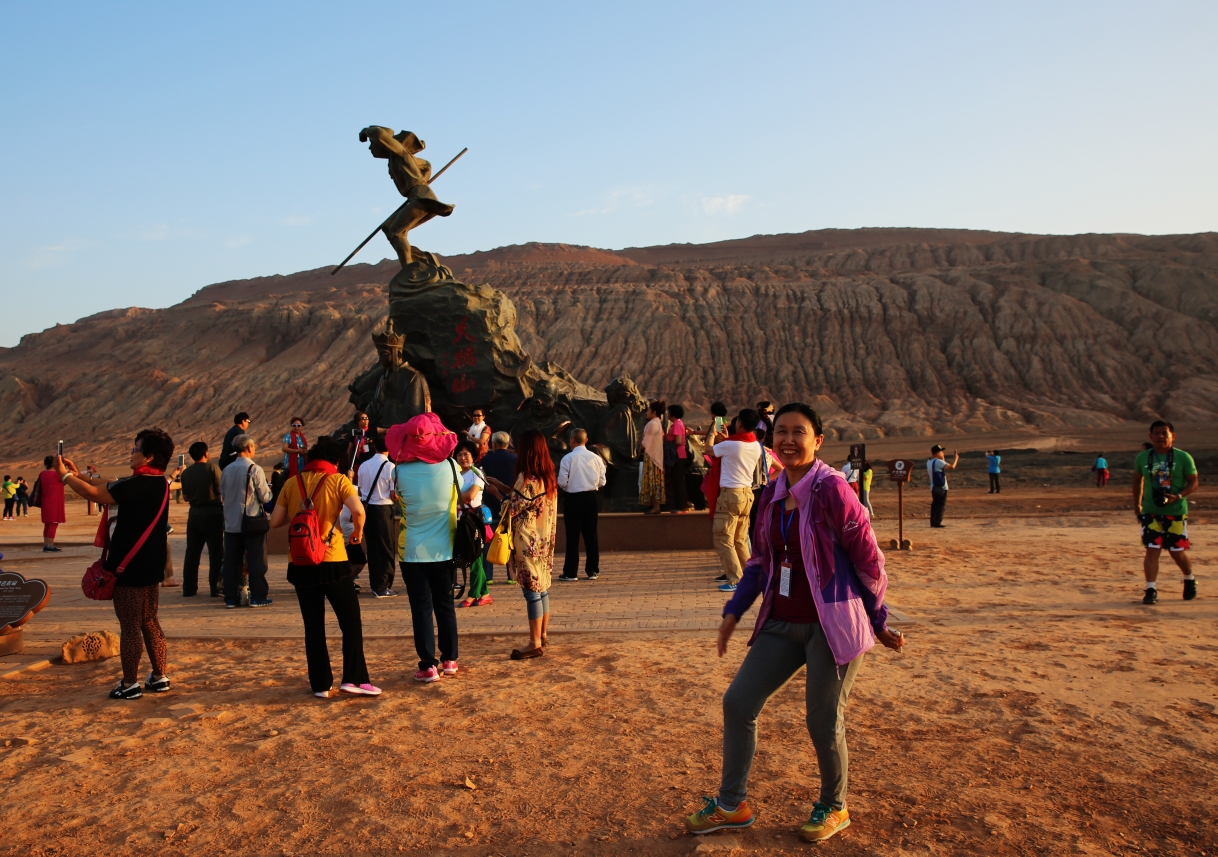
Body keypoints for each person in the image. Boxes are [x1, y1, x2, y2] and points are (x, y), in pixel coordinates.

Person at [685, 403, 905, 843]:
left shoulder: (833, 491)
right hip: (782, 622)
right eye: (780, 432)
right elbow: (762, 561)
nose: (787, 440)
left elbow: (870, 562)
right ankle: (733, 805)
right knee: (738, 703)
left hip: (831, 625)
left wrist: (877, 618)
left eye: (798, 432)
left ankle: (834, 806)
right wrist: (735, 612)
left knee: (823, 720)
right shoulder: (770, 492)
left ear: (818, 440)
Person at [57, 428, 176, 700]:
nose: (131, 453)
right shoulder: (159, 483)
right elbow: (109, 483)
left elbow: (95, 494)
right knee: (150, 620)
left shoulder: (137, 485)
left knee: (130, 625)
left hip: (129, 565)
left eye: (135, 449)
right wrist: (76, 475)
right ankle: (159, 677)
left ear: (148, 457)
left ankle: (130, 684)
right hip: (151, 563)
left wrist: (63, 476)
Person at [270, 436, 379, 697]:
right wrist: (357, 534)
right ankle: (353, 678)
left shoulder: (291, 483)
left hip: (299, 561)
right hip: (331, 558)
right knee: (350, 620)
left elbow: (275, 522)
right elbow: (358, 511)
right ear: (336, 460)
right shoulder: (338, 480)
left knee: (313, 624)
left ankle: (320, 684)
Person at [388, 413, 461, 683]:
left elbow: (397, 497)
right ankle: (450, 660)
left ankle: (428, 666)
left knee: (420, 608)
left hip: (412, 551)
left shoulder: (400, 471)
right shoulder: (452, 467)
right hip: (446, 549)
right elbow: (462, 491)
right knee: (445, 605)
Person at [501, 429, 558, 659]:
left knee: (531, 592)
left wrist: (497, 493)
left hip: (528, 542)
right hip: (544, 541)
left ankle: (534, 642)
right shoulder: (547, 478)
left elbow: (511, 509)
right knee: (542, 589)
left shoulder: (527, 478)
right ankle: (542, 634)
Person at [1133, 420, 1199, 605]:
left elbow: (1193, 482)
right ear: (1150, 436)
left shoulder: (1183, 457)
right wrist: (1136, 505)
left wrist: (1178, 496)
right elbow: (1137, 481)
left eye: (1165, 433)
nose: (1161, 437)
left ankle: (1189, 579)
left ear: (1173, 436)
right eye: (1157, 433)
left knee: (1176, 551)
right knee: (1152, 550)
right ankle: (1151, 589)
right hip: (1150, 511)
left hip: (1175, 511)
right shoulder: (1142, 458)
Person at [705, 409, 763, 593]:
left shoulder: (730, 445)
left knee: (723, 539)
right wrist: (726, 438)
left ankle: (735, 579)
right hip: (746, 495)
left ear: (739, 424)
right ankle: (750, 578)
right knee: (739, 540)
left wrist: (712, 434)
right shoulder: (755, 445)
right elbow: (732, 451)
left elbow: (708, 450)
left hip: (731, 496)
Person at [219, 434, 273, 608]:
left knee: (231, 560)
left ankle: (230, 598)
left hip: (231, 522)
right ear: (249, 448)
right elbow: (264, 497)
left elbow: (224, 494)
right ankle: (258, 596)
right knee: (256, 560)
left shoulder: (227, 469)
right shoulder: (255, 469)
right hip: (251, 521)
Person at [557, 428, 607, 581]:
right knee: (591, 535)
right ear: (586, 440)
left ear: (572, 440)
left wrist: (569, 486)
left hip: (573, 498)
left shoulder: (567, 458)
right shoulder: (596, 458)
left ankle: (571, 572)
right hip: (591, 497)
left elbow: (562, 481)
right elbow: (602, 481)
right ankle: (592, 570)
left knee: (572, 536)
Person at [179, 441, 225, 598]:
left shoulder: (186, 473)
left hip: (194, 514)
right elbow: (220, 489)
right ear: (206, 454)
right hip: (212, 513)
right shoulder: (212, 468)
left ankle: (189, 588)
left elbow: (185, 497)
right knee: (215, 553)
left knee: (192, 553)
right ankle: (215, 587)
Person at [454, 439, 497, 607]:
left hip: (472, 520)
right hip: (458, 519)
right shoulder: (454, 473)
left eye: (466, 454)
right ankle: (485, 594)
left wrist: (449, 499)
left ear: (473, 456)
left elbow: (470, 496)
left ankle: (473, 594)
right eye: (459, 454)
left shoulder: (477, 473)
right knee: (471, 557)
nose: (463, 458)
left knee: (474, 557)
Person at [357, 433, 398, 598]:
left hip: (367, 510)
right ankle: (383, 585)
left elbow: (360, 491)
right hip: (383, 509)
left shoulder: (363, 465)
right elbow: (394, 495)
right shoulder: (390, 467)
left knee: (373, 548)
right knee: (387, 548)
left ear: (374, 446)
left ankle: (376, 584)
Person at [479, 431, 517, 583]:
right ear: (507, 444)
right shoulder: (515, 459)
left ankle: (488, 576)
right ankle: (512, 576)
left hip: (490, 505)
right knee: (509, 540)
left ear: (493, 444)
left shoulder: (486, 460)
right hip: (509, 505)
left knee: (488, 540)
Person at [639, 401, 666, 514]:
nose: (647, 412)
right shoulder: (658, 423)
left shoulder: (652, 424)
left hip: (652, 456)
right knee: (655, 481)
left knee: (652, 481)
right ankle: (655, 506)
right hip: (656, 456)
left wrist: (639, 449)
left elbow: (646, 442)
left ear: (654, 412)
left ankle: (655, 507)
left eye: (649, 410)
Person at [665, 403, 693, 513]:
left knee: (678, 481)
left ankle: (682, 506)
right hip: (678, 455)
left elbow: (678, 441)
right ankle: (680, 505)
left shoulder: (719, 421)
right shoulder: (678, 423)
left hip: (677, 455)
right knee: (677, 481)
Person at [37, 457, 65, 551]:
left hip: (46, 502)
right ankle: (49, 545)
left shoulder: (42, 474)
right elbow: (71, 476)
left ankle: (46, 544)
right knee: (53, 524)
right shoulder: (57, 475)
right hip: (55, 502)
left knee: (47, 525)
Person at [926, 445, 958, 528]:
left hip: (933, 486)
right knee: (941, 504)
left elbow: (942, 466)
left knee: (935, 504)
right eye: (941, 452)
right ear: (937, 453)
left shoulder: (929, 461)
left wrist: (942, 458)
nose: (942, 453)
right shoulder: (938, 462)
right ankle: (937, 523)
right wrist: (956, 459)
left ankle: (933, 522)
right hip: (941, 487)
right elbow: (951, 467)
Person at [346, 411, 374, 479]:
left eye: (367, 418)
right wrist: (348, 463)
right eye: (363, 419)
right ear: (358, 421)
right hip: (358, 461)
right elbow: (350, 449)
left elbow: (384, 430)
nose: (366, 420)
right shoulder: (355, 432)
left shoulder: (372, 430)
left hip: (369, 460)